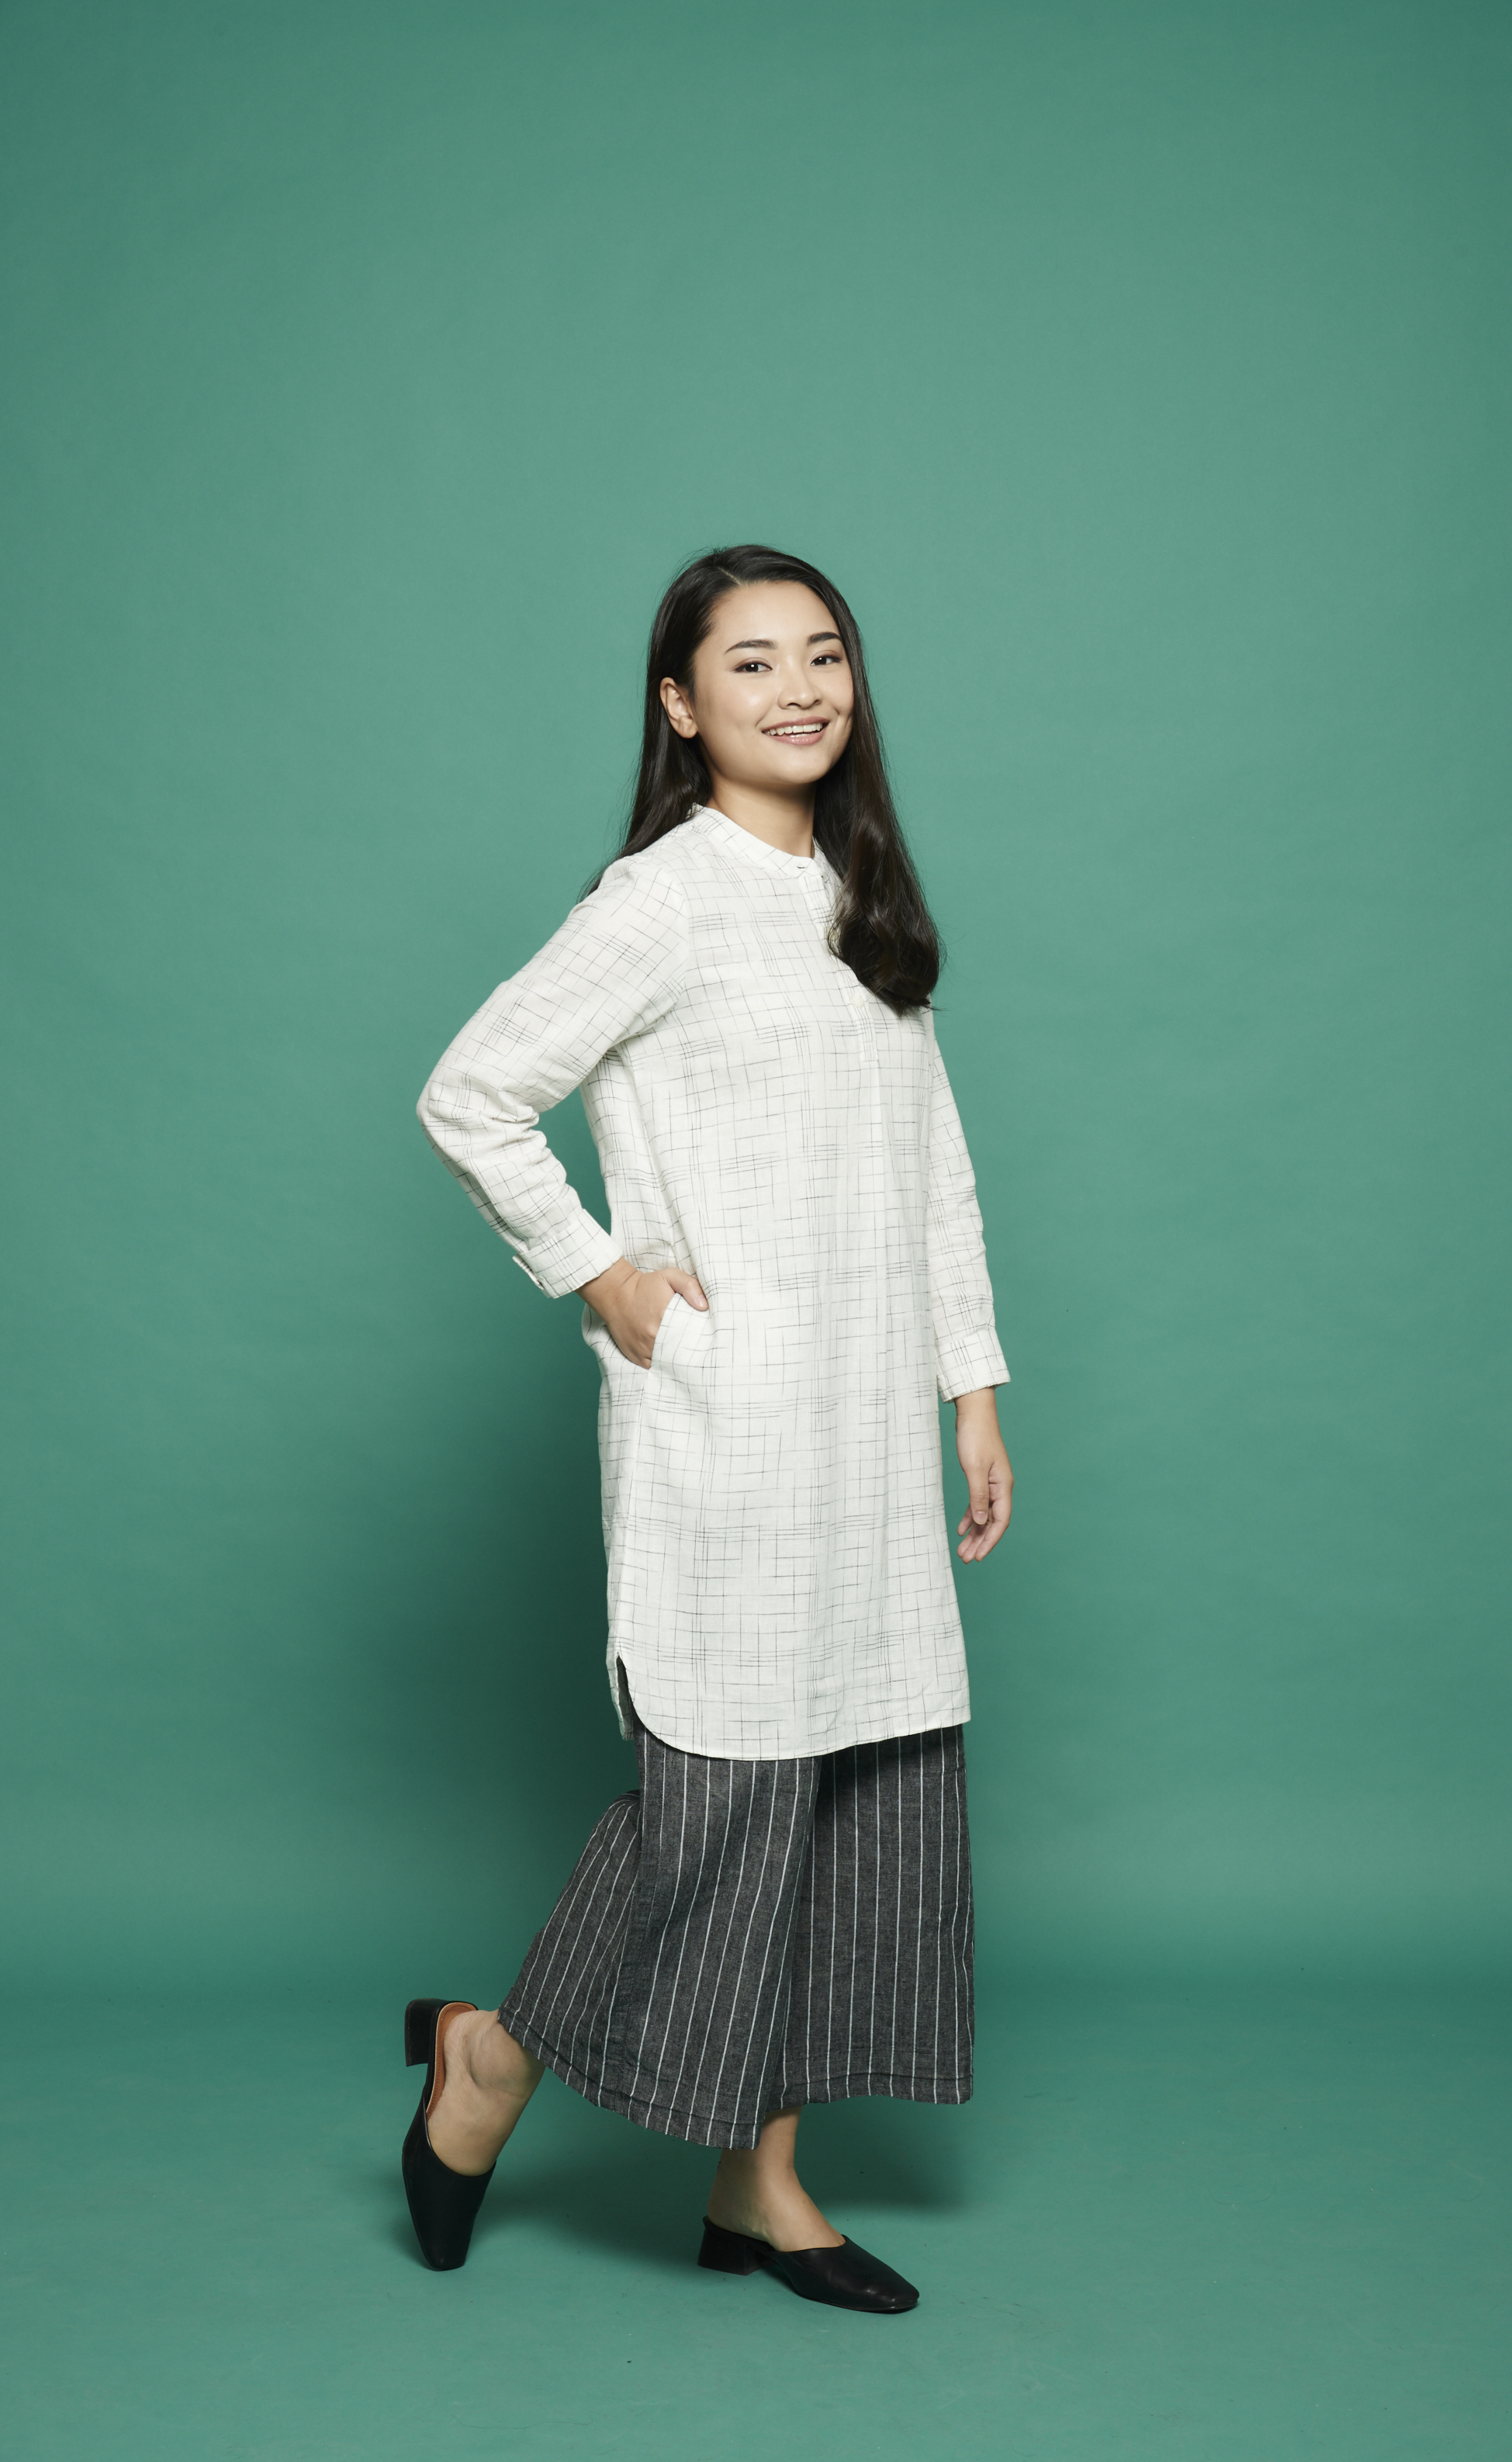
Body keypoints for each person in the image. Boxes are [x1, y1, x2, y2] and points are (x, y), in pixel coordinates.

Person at [405, 544, 1012, 2315]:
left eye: (823, 655)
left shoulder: (856, 892)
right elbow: (471, 1094)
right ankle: (486, 2061)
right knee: (724, 1802)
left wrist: (970, 1385)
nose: (798, 689)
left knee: (856, 1785)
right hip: (734, 1428)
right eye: (751, 663)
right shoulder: (660, 897)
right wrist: (602, 1276)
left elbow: (933, 1164)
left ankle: (762, 2183)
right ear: (679, 704)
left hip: (867, 1435)